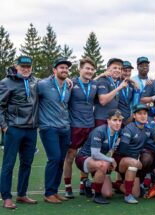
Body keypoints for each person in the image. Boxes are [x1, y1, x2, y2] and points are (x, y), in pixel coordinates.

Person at [0, 56, 39, 209]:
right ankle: (6, 197)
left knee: (27, 163)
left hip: (31, 129)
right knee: (8, 164)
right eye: (22, 66)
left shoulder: (35, 82)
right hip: (13, 129)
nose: (25, 69)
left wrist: (68, 81)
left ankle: (22, 194)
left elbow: (53, 82)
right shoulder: (5, 83)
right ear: (16, 66)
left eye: (28, 67)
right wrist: (4, 127)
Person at [38, 58, 73, 204]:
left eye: (66, 68)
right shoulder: (43, 84)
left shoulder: (68, 85)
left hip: (64, 128)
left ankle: (55, 191)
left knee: (60, 161)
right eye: (61, 68)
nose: (64, 70)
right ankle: (48, 193)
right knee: (54, 158)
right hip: (48, 127)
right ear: (54, 70)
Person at [63, 57, 97, 198]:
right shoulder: (71, 83)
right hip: (75, 126)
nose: (89, 71)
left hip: (90, 126)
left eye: (92, 69)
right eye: (87, 68)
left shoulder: (94, 85)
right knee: (70, 156)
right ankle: (68, 187)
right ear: (80, 69)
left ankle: (84, 184)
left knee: (86, 155)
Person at [113, 104, 155, 204]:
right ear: (134, 116)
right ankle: (127, 195)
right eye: (140, 114)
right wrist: (136, 159)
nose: (143, 116)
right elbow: (123, 150)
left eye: (145, 113)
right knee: (134, 163)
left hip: (133, 161)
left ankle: (117, 185)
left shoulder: (148, 128)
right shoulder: (129, 128)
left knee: (136, 194)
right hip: (120, 159)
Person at [75, 109, 123, 204]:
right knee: (103, 164)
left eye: (120, 120)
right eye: (114, 120)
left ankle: (88, 184)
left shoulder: (118, 131)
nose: (117, 123)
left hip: (99, 160)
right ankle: (97, 196)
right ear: (108, 120)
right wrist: (111, 160)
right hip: (84, 158)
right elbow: (95, 154)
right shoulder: (99, 131)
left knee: (108, 194)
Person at [94, 58, 129, 126]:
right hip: (102, 119)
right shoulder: (103, 80)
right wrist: (119, 88)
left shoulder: (117, 82)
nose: (118, 70)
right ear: (108, 69)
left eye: (119, 68)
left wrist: (134, 82)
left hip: (113, 119)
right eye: (115, 68)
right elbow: (103, 101)